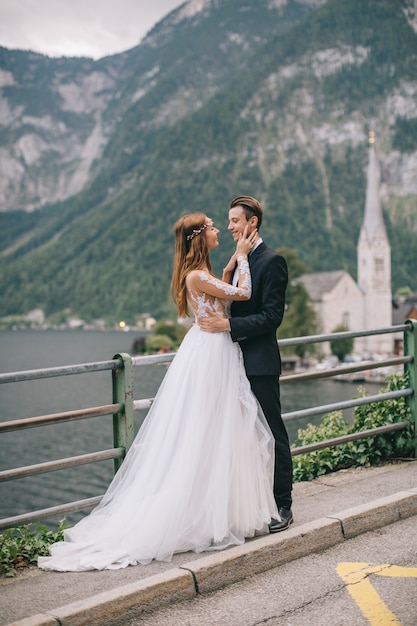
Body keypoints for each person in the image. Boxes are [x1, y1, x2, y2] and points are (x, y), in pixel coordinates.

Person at [38, 212, 279, 572]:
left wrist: (230, 265)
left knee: (218, 429)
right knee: (211, 429)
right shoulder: (196, 275)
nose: (219, 230)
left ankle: (215, 510)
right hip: (213, 353)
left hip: (213, 348)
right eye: (213, 227)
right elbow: (243, 293)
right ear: (200, 237)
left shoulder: (200, 274)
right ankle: (204, 513)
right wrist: (243, 255)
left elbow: (225, 289)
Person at [198, 196, 293, 532]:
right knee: (240, 438)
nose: (229, 226)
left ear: (252, 223)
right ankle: (251, 505)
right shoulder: (239, 261)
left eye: (235, 221)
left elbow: (272, 317)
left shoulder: (272, 261)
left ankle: (283, 504)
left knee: (273, 434)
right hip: (231, 366)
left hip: (259, 363)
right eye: (227, 221)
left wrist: (228, 326)